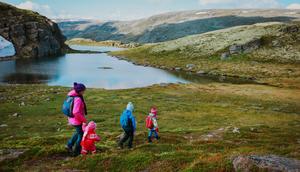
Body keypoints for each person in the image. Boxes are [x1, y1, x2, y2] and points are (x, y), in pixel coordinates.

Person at [65, 82, 87, 156]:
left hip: (71, 119)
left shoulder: (71, 95)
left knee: (78, 132)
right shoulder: (77, 99)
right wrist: (83, 120)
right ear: (80, 91)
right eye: (84, 90)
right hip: (77, 120)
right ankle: (76, 151)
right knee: (81, 134)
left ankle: (69, 145)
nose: (84, 92)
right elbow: (76, 112)